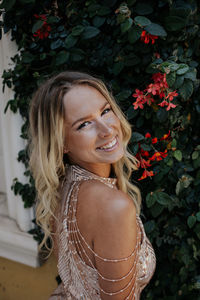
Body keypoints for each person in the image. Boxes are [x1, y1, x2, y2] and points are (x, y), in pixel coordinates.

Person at [29, 71, 156, 300]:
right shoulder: (113, 206)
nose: (107, 130)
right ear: (62, 143)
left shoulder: (62, 187)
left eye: (105, 111)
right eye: (84, 124)